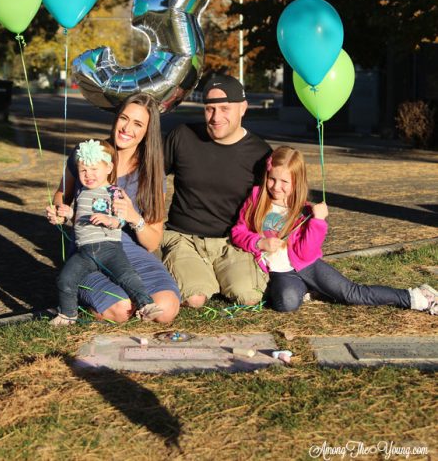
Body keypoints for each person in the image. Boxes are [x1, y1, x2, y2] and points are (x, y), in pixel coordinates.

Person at [231, 146, 438, 315]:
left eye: (284, 181)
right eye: (272, 178)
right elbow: (238, 232)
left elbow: (306, 253)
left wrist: (317, 222)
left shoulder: (303, 211)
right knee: (286, 303)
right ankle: (310, 289)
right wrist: (259, 242)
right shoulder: (257, 199)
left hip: (307, 265)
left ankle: (416, 297)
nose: (276, 187)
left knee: (351, 294)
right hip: (281, 272)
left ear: (296, 182)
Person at [46, 93, 180, 324]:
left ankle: (126, 292)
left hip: (131, 252)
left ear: (148, 130)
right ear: (116, 118)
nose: (127, 128)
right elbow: (62, 196)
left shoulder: (153, 173)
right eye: (124, 118)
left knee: (166, 309)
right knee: (121, 309)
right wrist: (59, 210)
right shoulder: (88, 153)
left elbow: (152, 242)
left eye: (138, 124)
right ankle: (86, 297)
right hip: (88, 249)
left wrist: (132, 216)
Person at [162, 74, 272, 307]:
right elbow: (149, 178)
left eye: (224, 108)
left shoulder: (260, 153)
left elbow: (275, 202)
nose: (216, 117)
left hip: (233, 242)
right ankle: (197, 275)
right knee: (195, 299)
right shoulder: (182, 136)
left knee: (249, 296)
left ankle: (221, 274)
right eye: (210, 109)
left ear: (243, 108)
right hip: (185, 238)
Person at [48, 139, 163, 326]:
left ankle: (146, 304)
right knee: (65, 279)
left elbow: (121, 218)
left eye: (95, 169)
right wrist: (66, 213)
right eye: (84, 170)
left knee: (127, 276)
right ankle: (68, 314)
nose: (89, 175)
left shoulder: (114, 192)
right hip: (84, 251)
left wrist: (110, 220)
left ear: (108, 168)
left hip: (110, 249)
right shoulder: (81, 192)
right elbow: (78, 216)